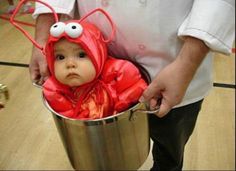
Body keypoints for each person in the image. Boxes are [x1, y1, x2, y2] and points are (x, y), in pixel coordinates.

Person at [30, 0, 235, 170]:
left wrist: (187, 62)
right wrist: (43, 32)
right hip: (93, 57)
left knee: (169, 147)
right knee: (108, 151)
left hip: (173, 59)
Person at [41, 15, 148, 119]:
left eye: (81, 55)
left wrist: (123, 103)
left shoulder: (114, 71)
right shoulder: (54, 90)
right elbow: (66, 113)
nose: (70, 64)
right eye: (60, 57)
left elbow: (133, 85)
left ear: (98, 55)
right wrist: (78, 119)